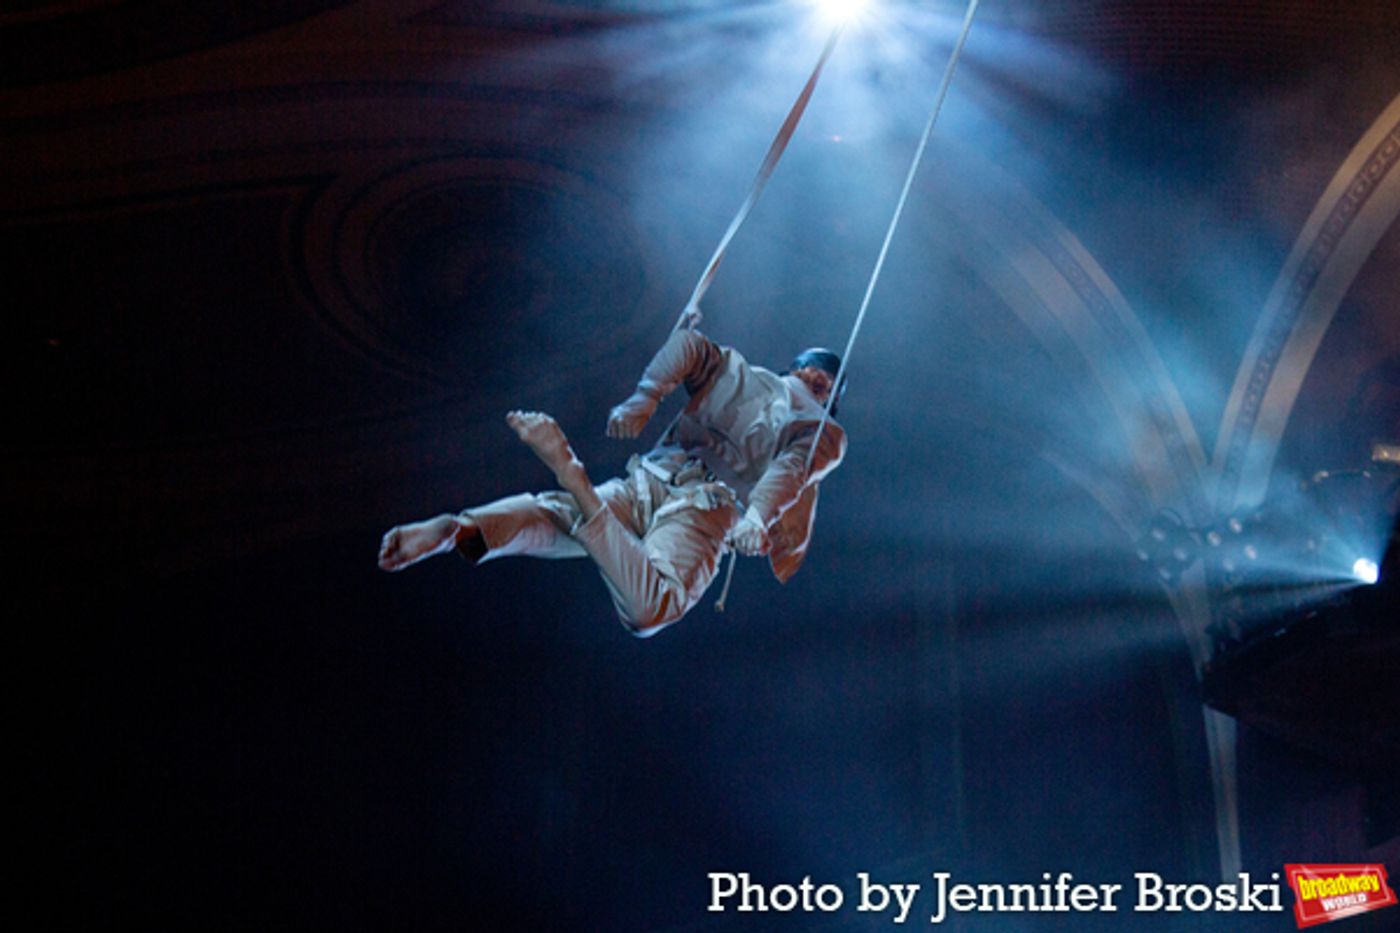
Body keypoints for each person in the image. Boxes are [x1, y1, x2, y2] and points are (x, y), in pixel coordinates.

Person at [377, 326, 847, 636]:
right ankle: (572, 474)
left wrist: (643, 398)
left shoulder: (742, 371)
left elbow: (689, 344)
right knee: (653, 608)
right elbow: (793, 470)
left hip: (650, 476)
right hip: (705, 506)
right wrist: (759, 518)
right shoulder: (823, 428)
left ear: (796, 369)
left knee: (554, 521)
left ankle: (462, 529)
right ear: (826, 388)